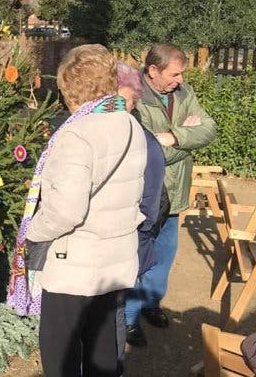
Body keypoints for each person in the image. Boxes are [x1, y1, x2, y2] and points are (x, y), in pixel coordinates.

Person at [26, 44, 147, 377]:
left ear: (71, 88)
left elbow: (66, 212)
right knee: (103, 349)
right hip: (116, 259)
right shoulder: (130, 124)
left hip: (75, 266)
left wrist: (32, 231)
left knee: (60, 354)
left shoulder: (76, 134)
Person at [124, 43, 217, 347]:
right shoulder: (133, 95)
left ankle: (151, 304)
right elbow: (145, 151)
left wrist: (175, 136)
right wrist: (186, 142)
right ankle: (129, 319)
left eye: (181, 74)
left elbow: (210, 128)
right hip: (147, 196)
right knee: (137, 256)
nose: (181, 80)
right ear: (153, 70)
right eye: (175, 74)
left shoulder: (185, 93)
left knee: (164, 254)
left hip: (175, 194)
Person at [115, 62, 167, 357]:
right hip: (113, 236)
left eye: (127, 100)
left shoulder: (143, 140)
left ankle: (130, 325)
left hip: (134, 232)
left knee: (129, 282)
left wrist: (142, 228)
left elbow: (150, 198)